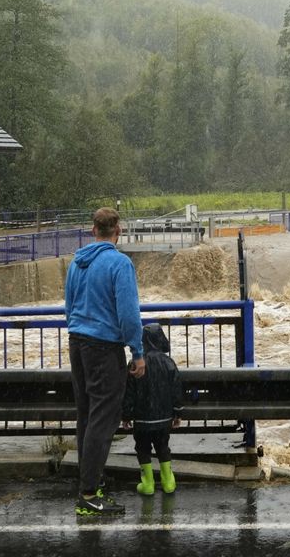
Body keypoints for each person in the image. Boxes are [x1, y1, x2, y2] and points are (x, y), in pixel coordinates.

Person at [65, 207, 145, 516]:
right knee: (104, 419)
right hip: (103, 347)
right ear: (118, 231)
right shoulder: (119, 263)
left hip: (78, 343)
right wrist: (137, 353)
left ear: (93, 230)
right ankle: (88, 493)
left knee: (86, 416)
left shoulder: (77, 262)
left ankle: (89, 487)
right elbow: (128, 313)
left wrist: (80, 330)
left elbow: (69, 306)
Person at [122, 322, 183, 495]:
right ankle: (168, 481)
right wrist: (177, 412)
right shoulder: (169, 363)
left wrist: (126, 415)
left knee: (142, 449)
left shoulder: (135, 364)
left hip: (142, 420)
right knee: (163, 447)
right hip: (164, 419)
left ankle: (147, 483)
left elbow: (129, 394)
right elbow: (176, 391)